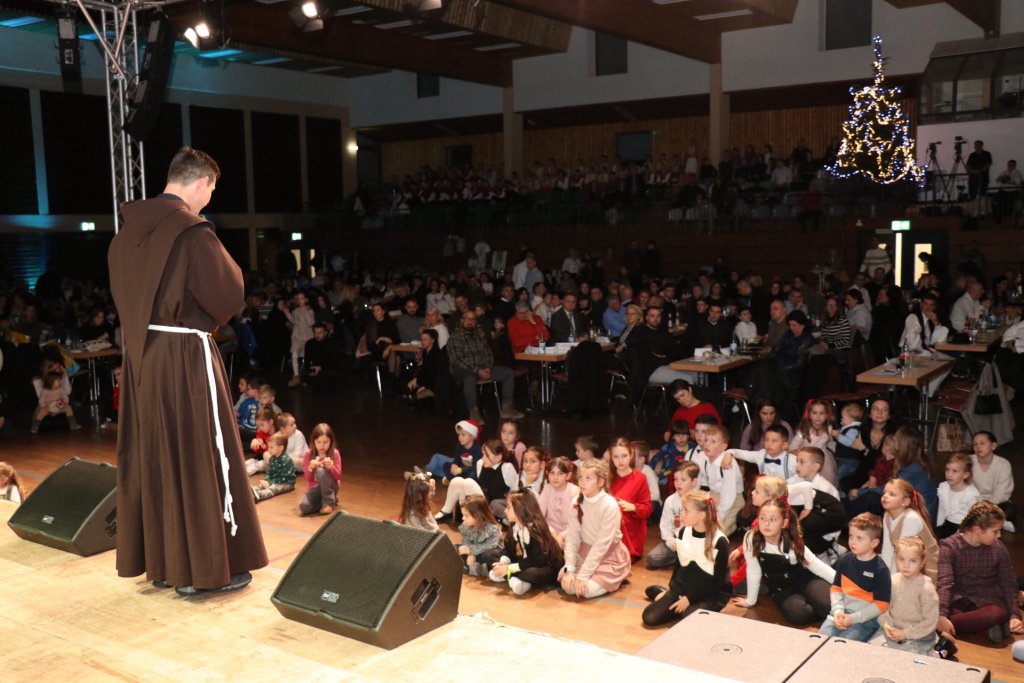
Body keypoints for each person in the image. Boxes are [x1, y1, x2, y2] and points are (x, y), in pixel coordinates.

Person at [108, 146, 267, 594]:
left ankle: (165, 564)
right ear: (201, 183)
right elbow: (228, 295)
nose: (209, 200)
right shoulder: (192, 233)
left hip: (141, 359)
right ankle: (200, 573)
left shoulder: (124, 235)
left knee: (159, 457)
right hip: (183, 356)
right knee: (198, 454)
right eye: (211, 190)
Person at [734, 498, 835, 625]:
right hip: (782, 588)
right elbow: (753, 570)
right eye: (762, 518)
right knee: (798, 615)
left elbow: (816, 565)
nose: (766, 524)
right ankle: (822, 610)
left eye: (773, 519)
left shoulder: (792, 542)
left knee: (828, 605)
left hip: (805, 580)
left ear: (784, 523)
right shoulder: (751, 538)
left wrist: (843, 583)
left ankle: (824, 608)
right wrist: (750, 601)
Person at [937, 501, 1023, 643]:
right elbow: (945, 583)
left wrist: (1014, 616)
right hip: (960, 601)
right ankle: (984, 629)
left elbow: (1008, 583)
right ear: (977, 529)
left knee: (997, 613)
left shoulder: (998, 548)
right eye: (995, 531)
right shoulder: (950, 547)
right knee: (946, 610)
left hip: (988, 602)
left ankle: (942, 625)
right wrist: (942, 614)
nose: (999, 535)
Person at [642, 490, 730, 626]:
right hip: (683, 588)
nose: (681, 514)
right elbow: (679, 565)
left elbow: (717, 582)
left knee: (688, 621)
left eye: (686, 511)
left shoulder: (720, 541)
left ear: (701, 515)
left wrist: (689, 599)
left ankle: (690, 607)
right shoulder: (683, 532)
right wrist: (672, 590)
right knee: (649, 617)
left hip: (707, 594)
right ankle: (664, 594)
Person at [558, 459, 632, 599]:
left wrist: (583, 576)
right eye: (581, 477)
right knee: (568, 586)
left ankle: (617, 575)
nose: (582, 482)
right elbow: (572, 537)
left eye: (588, 478)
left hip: (607, 556)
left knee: (585, 591)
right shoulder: (576, 502)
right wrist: (570, 569)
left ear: (601, 482)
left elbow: (601, 545)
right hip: (584, 553)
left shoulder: (609, 505)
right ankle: (593, 578)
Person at [819, 513, 891, 642]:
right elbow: (836, 588)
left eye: (859, 538)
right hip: (841, 613)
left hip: (865, 621)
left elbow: (881, 605)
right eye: (851, 536)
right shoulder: (844, 560)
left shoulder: (880, 569)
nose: (852, 541)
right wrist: (837, 611)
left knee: (844, 645)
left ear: (874, 543)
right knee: (819, 639)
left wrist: (853, 618)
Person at [446, 309, 523, 424]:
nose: (470, 322)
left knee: (508, 372)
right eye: (467, 319)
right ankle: (474, 413)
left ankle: (507, 408)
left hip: (483, 368)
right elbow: (457, 359)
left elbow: (488, 354)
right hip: (464, 370)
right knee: (470, 378)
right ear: (462, 321)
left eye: (473, 319)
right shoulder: (455, 337)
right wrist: (478, 370)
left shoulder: (480, 334)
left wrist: (488, 368)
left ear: (476, 321)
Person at [870, 536, 940, 655]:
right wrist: (886, 624)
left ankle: (939, 650)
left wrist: (905, 633)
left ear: (922, 562)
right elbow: (883, 605)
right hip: (893, 630)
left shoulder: (926, 588)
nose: (906, 565)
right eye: (901, 559)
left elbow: (930, 621)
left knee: (902, 658)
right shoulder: (893, 580)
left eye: (913, 561)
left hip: (919, 636)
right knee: (870, 650)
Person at [489, 492, 565, 595]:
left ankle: (509, 576)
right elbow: (508, 550)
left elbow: (536, 561)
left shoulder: (535, 530)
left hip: (544, 567)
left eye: (509, 507)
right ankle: (516, 579)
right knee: (492, 556)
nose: (505, 511)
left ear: (519, 510)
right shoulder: (514, 527)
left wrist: (509, 569)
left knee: (532, 573)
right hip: (525, 563)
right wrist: (503, 562)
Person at [880, 479, 939, 583]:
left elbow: (904, 553)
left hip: (925, 569)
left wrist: (891, 583)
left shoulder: (911, 519)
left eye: (892, 494)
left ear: (905, 501)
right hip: (907, 565)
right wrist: (883, 577)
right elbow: (887, 549)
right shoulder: (887, 516)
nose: (885, 496)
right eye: (884, 493)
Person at [647, 462, 700, 569]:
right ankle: (680, 559)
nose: (678, 483)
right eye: (676, 479)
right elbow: (665, 526)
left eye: (683, 480)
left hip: (695, 542)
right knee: (652, 558)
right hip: (676, 541)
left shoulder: (700, 500)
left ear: (694, 481)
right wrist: (671, 542)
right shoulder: (670, 501)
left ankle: (687, 559)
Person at [608, 437, 653, 561]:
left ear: (631, 455)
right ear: (611, 458)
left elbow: (647, 509)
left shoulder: (640, 478)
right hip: (608, 530)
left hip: (630, 533)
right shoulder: (607, 478)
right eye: (616, 457)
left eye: (624, 456)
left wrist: (633, 507)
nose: (620, 460)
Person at [969, 431, 1015, 531]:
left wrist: (984, 507)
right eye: (975, 444)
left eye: (982, 443)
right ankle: (993, 522)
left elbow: (1002, 493)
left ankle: (982, 521)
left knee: (1009, 509)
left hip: (996, 503)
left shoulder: (1003, 464)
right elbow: (966, 487)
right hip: (974, 502)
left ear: (993, 446)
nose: (978, 447)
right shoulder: (968, 462)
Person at [789, 400, 838, 487]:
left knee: (824, 483)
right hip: (806, 459)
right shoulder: (804, 429)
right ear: (809, 415)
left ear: (827, 415)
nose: (818, 416)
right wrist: (798, 454)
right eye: (814, 413)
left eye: (821, 413)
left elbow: (829, 443)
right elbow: (793, 446)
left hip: (823, 459)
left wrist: (840, 448)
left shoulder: (828, 429)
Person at [298, 423, 342, 516]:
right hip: (315, 488)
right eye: (318, 442)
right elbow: (309, 479)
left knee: (320, 471)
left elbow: (338, 477)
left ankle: (329, 502)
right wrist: (310, 468)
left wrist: (332, 468)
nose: (322, 446)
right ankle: (328, 500)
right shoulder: (308, 454)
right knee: (304, 506)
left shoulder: (335, 453)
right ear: (314, 441)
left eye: (325, 442)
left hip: (331, 486)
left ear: (331, 441)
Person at [936, 453, 981, 539]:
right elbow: (941, 511)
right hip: (947, 525)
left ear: (965, 475)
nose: (949, 474)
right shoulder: (944, 488)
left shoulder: (970, 494)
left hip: (963, 529)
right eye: (947, 470)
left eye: (954, 471)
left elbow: (975, 517)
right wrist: (939, 529)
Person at [457, 494, 503, 577]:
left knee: (489, 555)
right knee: (455, 548)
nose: (463, 518)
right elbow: (465, 540)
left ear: (477, 516)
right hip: (472, 551)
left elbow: (488, 546)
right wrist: (468, 552)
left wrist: (471, 552)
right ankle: (471, 567)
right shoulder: (466, 524)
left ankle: (481, 569)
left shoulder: (492, 529)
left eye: (466, 516)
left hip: (484, 552)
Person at [538, 455, 579, 546]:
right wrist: (552, 533)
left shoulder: (574, 491)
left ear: (568, 476)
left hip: (570, 533)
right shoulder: (547, 488)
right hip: (549, 531)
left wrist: (561, 535)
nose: (555, 477)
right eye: (552, 473)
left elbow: (576, 522)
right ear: (547, 473)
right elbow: (540, 515)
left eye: (560, 473)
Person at [280, 292, 315, 387]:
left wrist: (305, 312)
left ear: (306, 300)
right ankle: (296, 375)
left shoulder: (310, 311)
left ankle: (307, 375)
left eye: (302, 298)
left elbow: (311, 322)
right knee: (294, 355)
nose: (300, 301)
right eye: (298, 299)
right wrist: (287, 313)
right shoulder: (296, 311)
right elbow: (294, 321)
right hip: (297, 336)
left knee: (307, 357)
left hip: (307, 336)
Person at [252, 432, 297, 503]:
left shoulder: (286, 460)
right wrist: (266, 480)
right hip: (275, 480)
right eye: (268, 447)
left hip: (287, 483)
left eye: (271, 447)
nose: (268, 449)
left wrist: (270, 482)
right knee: (263, 485)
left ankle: (259, 495)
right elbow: (269, 472)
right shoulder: (272, 458)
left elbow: (284, 478)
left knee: (274, 488)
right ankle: (252, 491)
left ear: (281, 448)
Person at [32, 370, 80, 434]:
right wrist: (44, 405)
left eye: (60, 380)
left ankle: (73, 424)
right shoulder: (45, 391)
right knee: (41, 412)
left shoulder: (61, 390)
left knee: (68, 408)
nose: (60, 382)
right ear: (51, 381)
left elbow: (65, 398)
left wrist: (64, 402)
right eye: (58, 381)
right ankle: (35, 426)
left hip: (59, 406)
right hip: (49, 408)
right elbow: (41, 400)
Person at [301, 323, 340, 394]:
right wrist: (311, 369)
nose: (317, 335)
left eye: (320, 333)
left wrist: (321, 367)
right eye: (315, 333)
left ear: (325, 333)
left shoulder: (332, 343)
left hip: (327, 368)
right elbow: (307, 360)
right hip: (315, 368)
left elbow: (335, 361)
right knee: (304, 373)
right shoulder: (309, 343)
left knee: (328, 375)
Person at [832, 402, 864, 486]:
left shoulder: (853, 429)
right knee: (840, 475)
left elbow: (848, 441)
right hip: (845, 458)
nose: (841, 419)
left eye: (843, 417)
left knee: (841, 477)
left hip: (849, 459)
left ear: (851, 419)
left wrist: (838, 436)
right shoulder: (848, 427)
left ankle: (842, 491)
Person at [399, 468, 438, 532]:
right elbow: (421, 535)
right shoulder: (412, 516)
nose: (432, 494)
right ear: (421, 496)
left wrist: (432, 487)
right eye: (430, 491)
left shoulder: (421, 505)